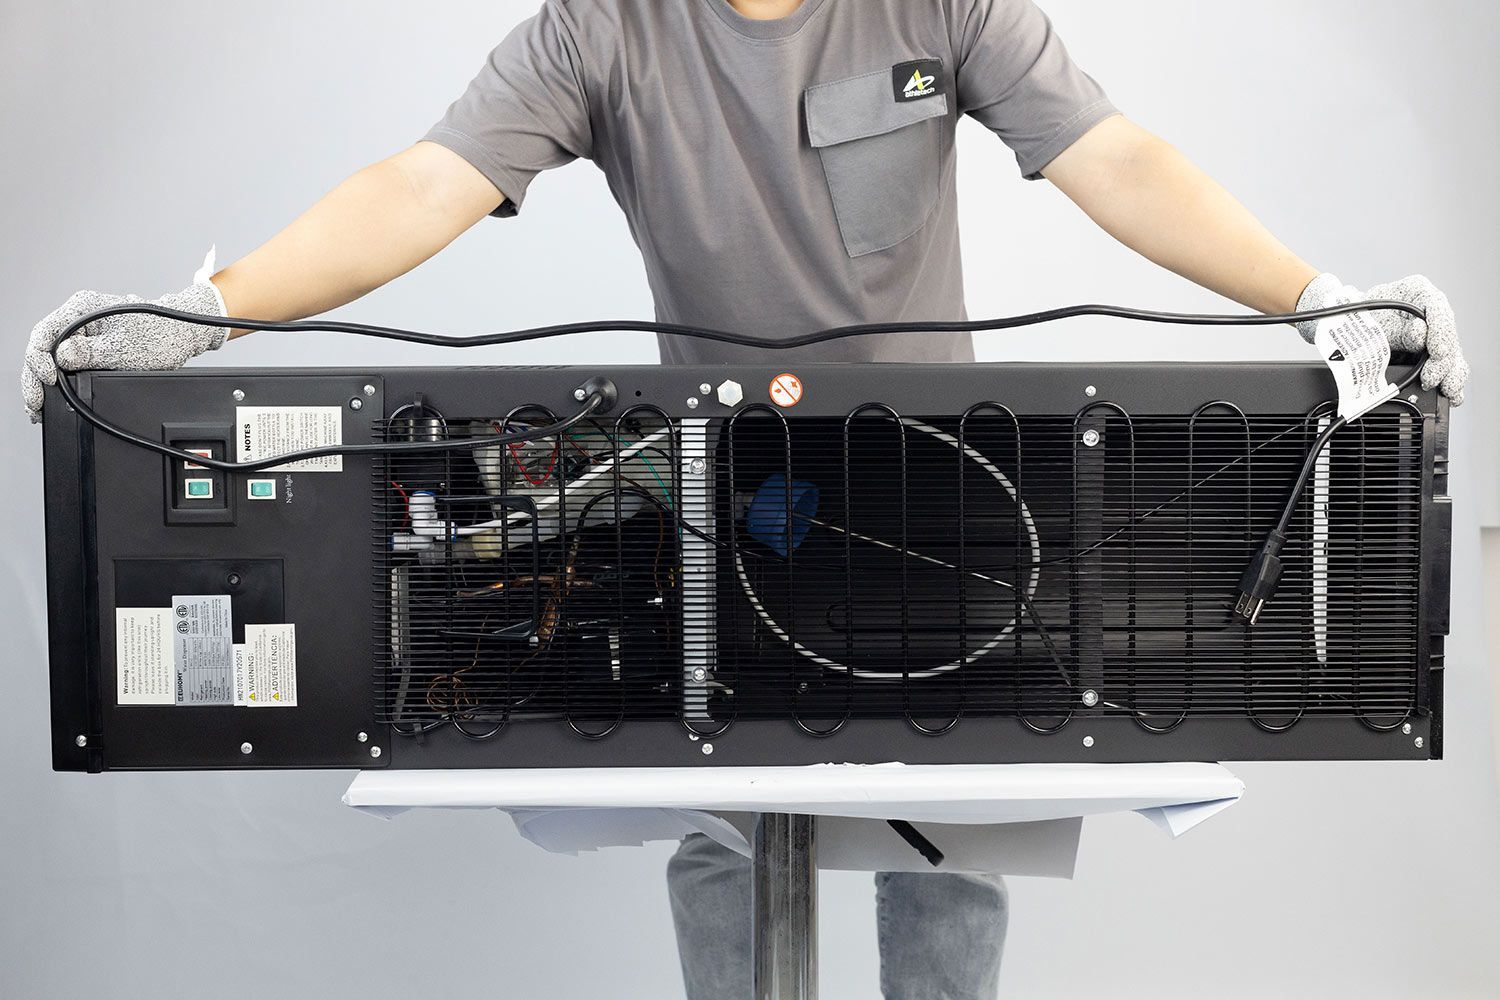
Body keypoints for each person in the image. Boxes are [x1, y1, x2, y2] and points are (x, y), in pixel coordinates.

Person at [20, 0, 1468, 995]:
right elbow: (424, 183)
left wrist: (1318, 299)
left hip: (944, 514)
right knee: (725, 840)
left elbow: (1117, 157)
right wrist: (197, 318)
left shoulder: (943, 8)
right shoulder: (603, 28)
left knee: (949, 853)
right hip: (722, 512)